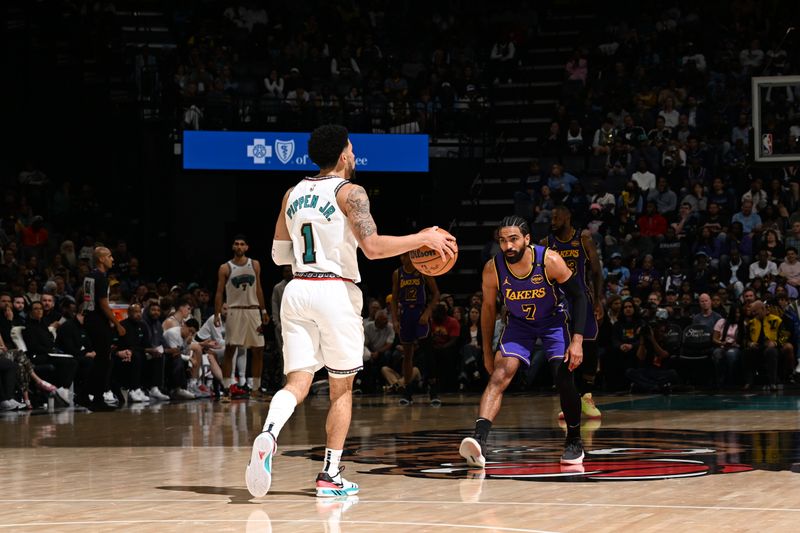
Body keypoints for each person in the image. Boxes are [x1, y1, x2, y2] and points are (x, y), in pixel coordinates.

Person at [246, 124, 455, 499]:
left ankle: (269, 433)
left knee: (296, 383)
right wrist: (423, 237)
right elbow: (373, 248)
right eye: (353, 150)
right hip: (334, 291)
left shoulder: (291, 193)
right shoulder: (351, 192)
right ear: (343, 154)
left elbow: (279, 255)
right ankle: (329, 475)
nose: (354, 156)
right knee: (341, 389)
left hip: (296, 290)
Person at [459, 215, 589, 469]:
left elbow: (580, 296)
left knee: (563, 375)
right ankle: (478, 442)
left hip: (553, 321)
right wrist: (486, 350)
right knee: (499, 374)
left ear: (527, 239)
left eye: (514, 239)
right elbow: (487, 309)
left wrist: (577, 341)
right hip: (519, 324)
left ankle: (574, 439)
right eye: (503, 241)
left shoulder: (549, 260)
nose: (508, 246)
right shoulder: (492, 268)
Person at [545, 204, 604, 420]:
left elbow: (596, 272)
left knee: (588, 345)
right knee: (564, 350)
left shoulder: (583, 240)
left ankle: (587, 396)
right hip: (559, 304)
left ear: (567, 216)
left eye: (556, 216)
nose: (552, 220)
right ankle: (572, 397)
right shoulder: (546, 244)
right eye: (551, 217)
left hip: (583, 301)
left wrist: (598, 300)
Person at [214, 235, 270, 401]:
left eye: (242, 244)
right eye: (236, 244)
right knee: (231, 349)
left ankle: (256, 389)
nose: (239, 246)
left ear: (247, 247)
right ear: (233, 247)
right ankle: (226, 389)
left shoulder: (255, 264)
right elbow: (219, 292)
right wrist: (217, 313)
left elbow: (258, 288)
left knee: (258, 349)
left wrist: (264, 310)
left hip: (253, 311)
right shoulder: (225, 267)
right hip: (234, 310)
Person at [77, 247, 126, 411]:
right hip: (98, 321)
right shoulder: (101, 278)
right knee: (104, 361)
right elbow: (103, 305)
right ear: (101, 259)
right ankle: (96, 398)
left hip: (90, 320)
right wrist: (117, 323)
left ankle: (85, 395)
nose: (113, 259)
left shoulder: (89, 276)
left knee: (101, 360)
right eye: (110, 256)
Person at [390, 252, 439, 405]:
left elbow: (436, 293)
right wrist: (395, 319)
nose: (402, 258)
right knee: (407, 355)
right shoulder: (398, 273)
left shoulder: (423, 270)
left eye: (405, 256)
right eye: (401, 256)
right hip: (406, 314)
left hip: (420, 313)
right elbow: (394, 299)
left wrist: (427, 312)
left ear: (412, 257)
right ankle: (408, 390)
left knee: (428, 354)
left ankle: (433, 390)